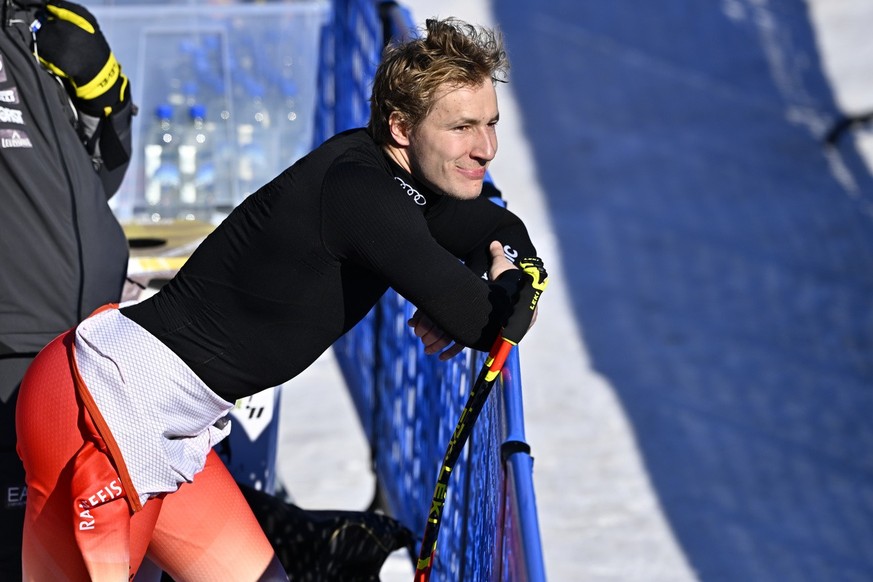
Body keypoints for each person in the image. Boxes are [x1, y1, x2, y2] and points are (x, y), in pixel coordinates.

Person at [16, 16, 546, 581]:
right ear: (400, 126)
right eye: (463, 127)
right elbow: (483, 320)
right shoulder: (361, 194)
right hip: (99, 414)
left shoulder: (385, 173)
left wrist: (493, 273)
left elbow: (499, 229)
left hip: (170, 427)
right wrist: (488, 289)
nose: (487, 148)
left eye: (490, 123)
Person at [0, 0, 134, 578]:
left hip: (87, 339)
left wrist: (107, 101)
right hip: (17, 339)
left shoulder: (35, 24)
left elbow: (99, 174)